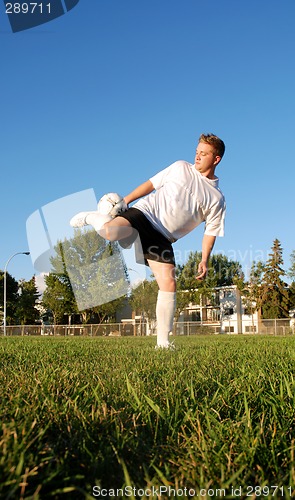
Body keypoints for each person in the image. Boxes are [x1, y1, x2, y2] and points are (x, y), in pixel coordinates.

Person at [70, 133, 226, 348]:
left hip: (163, 237)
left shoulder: (217, 198)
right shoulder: (180, 167)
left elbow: (211, 231)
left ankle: (162, 342)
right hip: (144, 214)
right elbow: (151, 184)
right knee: (111, 233)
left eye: (204, 154)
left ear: (216, 159)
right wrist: (125, 201)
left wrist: (204, 259)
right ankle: (91, 217)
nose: (197, 157)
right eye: (197, 152)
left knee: (169, 284)